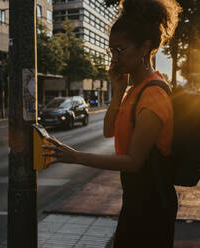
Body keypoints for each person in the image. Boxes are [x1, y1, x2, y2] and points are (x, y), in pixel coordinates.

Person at [42, 0, 181, 247]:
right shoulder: (135, 89)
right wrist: (118, 91)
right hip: (136, 199)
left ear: (144, 48)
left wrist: (76, 157)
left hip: (152, 205)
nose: (114, 58)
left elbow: (134, 162)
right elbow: (109, 131)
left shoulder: (153, 94)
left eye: (120, 50)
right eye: (111, 51)